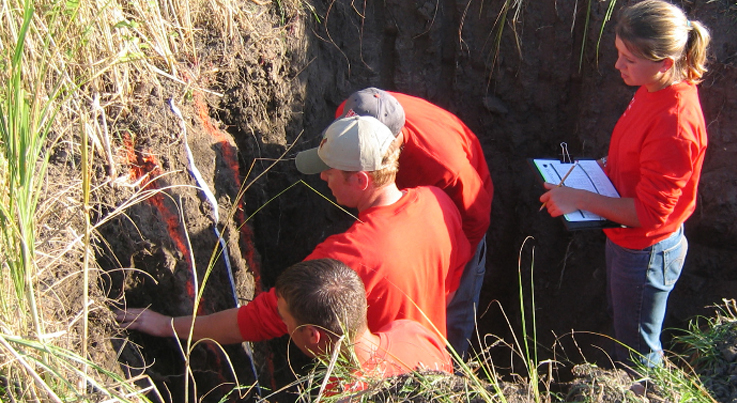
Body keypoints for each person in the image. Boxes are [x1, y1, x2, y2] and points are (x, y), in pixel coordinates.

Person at [117, 115, 471, 352]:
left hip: (365, 381)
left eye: (330, 172)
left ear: (360, 180)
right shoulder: (438, 203)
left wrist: (168, 326)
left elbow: (261, 318)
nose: (322, 178)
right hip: (422, 363)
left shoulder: (347, 257)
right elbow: (452, 283)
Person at [539, 0, 710, 367]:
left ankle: (643, 390)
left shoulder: (675, 123)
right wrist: (601, 166)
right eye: (618, 53)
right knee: (626, 323)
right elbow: (636, 153)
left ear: (664, 63)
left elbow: (649, 213)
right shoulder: (653, 88)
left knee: (636, 351)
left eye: (628, 59)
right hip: (626, 242)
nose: (618, 66)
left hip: (646, 252)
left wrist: (580, 197)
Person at [335, 88, 493, 357]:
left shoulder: (444, 167)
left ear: (392, 142)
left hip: (457, 222)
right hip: (406, 205)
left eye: (366, 148)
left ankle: (449, 376)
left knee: (450, 317)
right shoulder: (354, 110)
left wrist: (451, 282)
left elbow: (476, 219)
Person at [275, 258, 452, 384]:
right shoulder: (414, 333)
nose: (286, 328)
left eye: (285, 321)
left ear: (312, 335)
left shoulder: (345, 393)